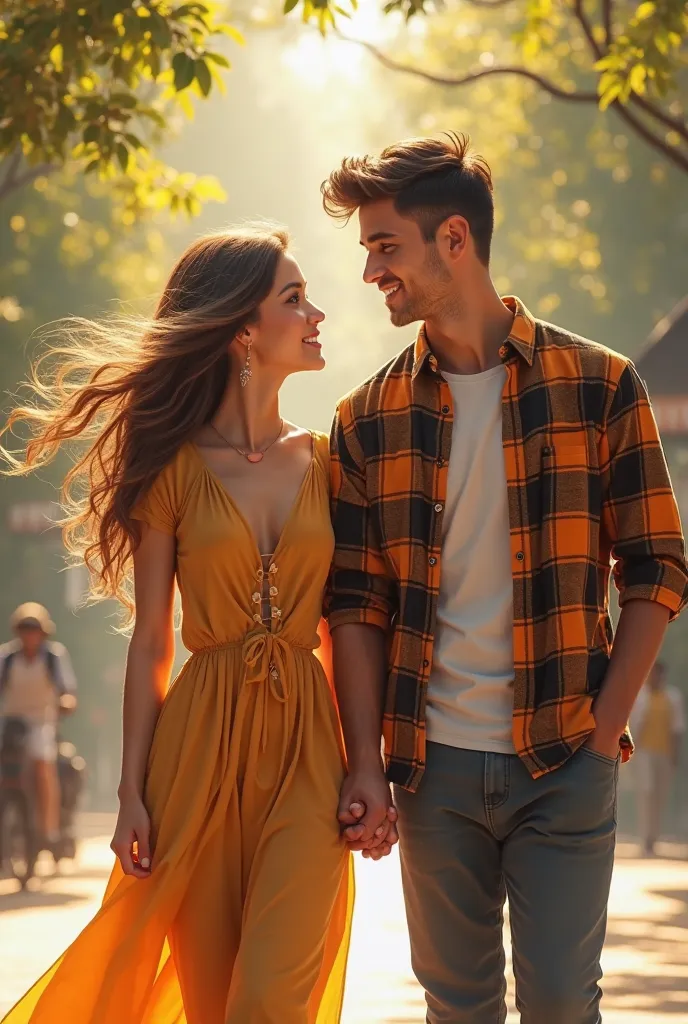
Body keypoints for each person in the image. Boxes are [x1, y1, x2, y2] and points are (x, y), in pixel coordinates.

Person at [322, 133, 688, 1023]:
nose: (371, 270)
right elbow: (357, 606)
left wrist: (605, 733)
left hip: (564, 754)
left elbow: (657, 564)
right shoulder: (365, 418)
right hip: (434, 770)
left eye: (385, 246)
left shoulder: (601, 386)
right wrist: (366, 762)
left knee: (563, 1002)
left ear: (454, 238)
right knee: (459, 1007)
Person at [0, 227, 353, 1024]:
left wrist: (365, 762)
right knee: (209, 1004)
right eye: (294, 299)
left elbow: (345, 627)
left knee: (269, 999)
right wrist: (131, 789)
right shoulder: (175, 470)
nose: (316, 313)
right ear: (241, 331)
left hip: (307, 751)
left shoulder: (332, 462)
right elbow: (154, 641)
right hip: (196, 752)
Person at [0, 603, 77, 851]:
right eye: (24, 628)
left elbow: (66, 690)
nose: (29, 634)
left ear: (43, 632)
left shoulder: (53, 657)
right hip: (10, 722)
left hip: (40, 722)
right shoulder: (7, 658)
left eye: (33, 629)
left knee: (44, 767)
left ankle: (48, 828)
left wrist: (66, 703)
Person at [631, 659, 685, 856]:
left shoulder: (672, 697)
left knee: (659, 797)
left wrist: (675, 756)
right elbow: (632, 726)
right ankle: (646, 839)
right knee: (647, 794)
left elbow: (677, 729)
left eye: (660, 673)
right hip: (644, 753)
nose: (656, 677)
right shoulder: (640, 696)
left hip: (664, 753)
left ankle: (654, 838)